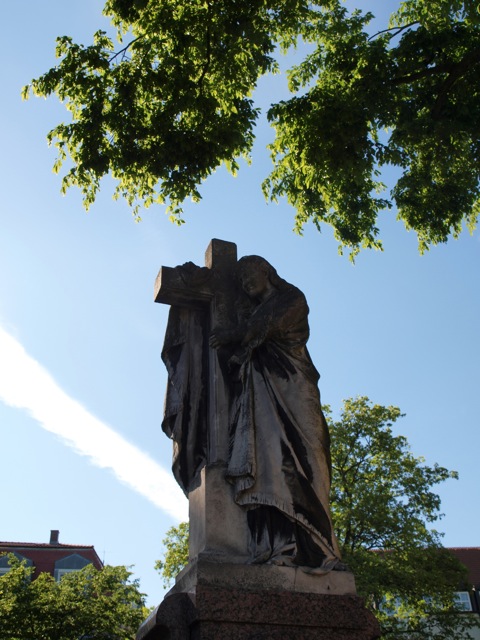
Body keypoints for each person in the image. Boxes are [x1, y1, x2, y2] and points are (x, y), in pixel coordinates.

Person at [209, 255, 343, 572]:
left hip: (294, 387)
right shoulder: (250, 313)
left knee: (310, 462)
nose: (244, 282)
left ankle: (319, 545)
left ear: (266, 271)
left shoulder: (291, 298)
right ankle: (278, 545)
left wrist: (231, 334)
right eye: (239, 279)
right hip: (262, 399)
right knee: (268, 463)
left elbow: (266, 326)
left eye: (248, 274)